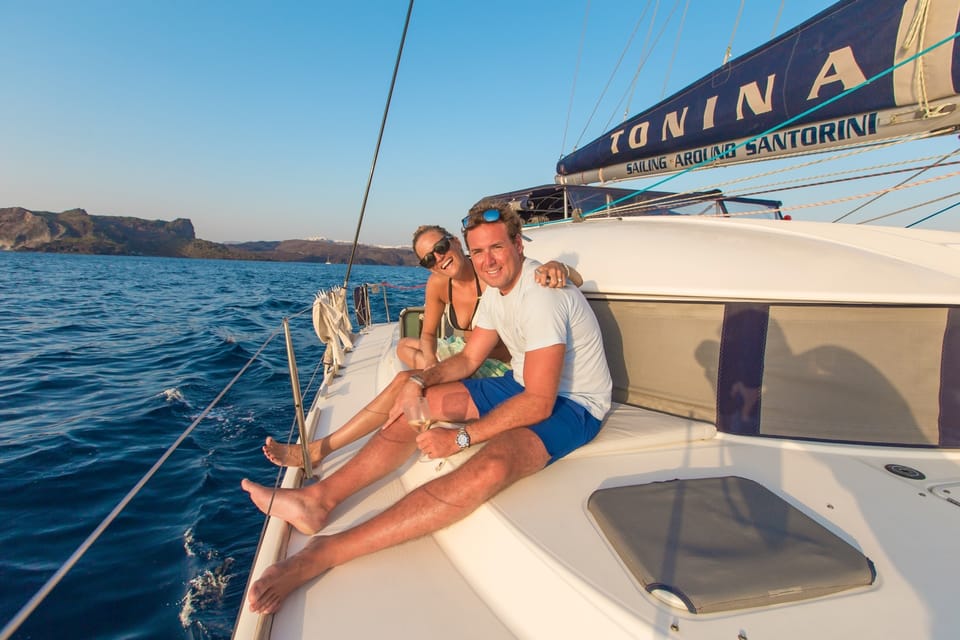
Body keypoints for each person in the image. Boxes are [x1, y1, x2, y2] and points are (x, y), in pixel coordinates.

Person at [241, 203, 611, 614]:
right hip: (519, 382)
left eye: (497, 248)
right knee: (421, 402)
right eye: (479, 251)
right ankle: (318, 499)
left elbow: (540, 402)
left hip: (574, 403)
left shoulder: (540, 295)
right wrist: (419, 382)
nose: (488, 260)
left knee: (493, 463)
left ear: (518, 245)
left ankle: (325, 552)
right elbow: (469, 359)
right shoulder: (495, 293)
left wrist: (460, 438)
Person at [261, 223, 582, 469]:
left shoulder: (491, 269)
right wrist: (430, 366)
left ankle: (321, 449)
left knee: (405, 379)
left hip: (499, 367)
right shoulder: (439, 283)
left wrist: (562, 268)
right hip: (466, 357)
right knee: (406, 348)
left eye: (441, 247)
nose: (439, 258)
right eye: (429, 258)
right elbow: (428, 335)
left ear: (455, 242)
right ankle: (393, 426)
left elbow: (560, 280)